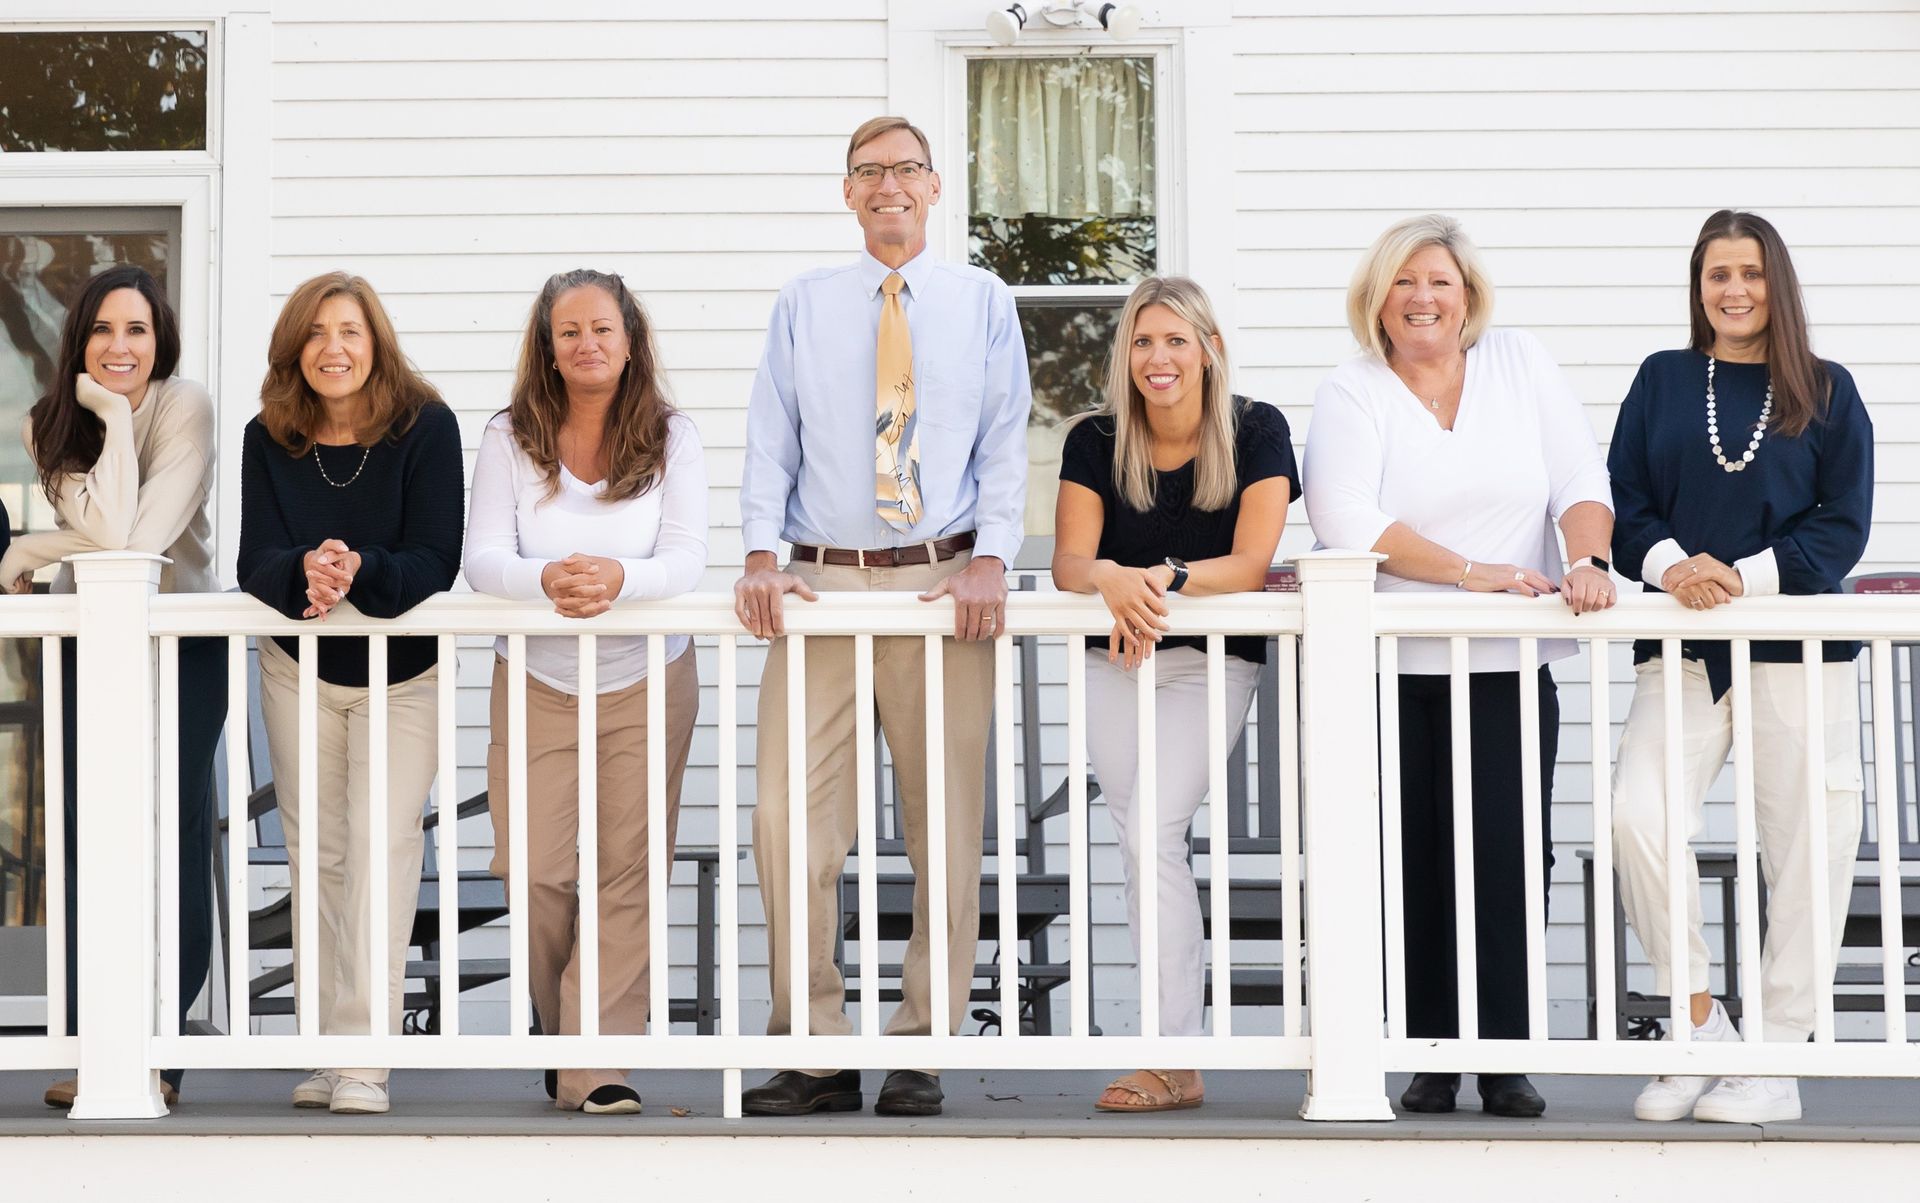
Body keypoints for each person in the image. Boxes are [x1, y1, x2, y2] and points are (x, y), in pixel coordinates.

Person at [733, 115, 1031, 1118]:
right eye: (869, 172)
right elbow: (771, 437)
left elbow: (1003, 441)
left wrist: (993, 557)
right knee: (788, 825)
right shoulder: (804, 305)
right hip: (818, 587)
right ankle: (813, 1048)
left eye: (906, 169)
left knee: (943, 824)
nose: (888, 185)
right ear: (848, 193)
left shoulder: (982, 302)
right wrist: (761, 555)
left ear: (936, 188)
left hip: (940, 585)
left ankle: (924, 1043)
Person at [1302, 214, 1615, 1118]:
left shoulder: (1519, 362)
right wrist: (1474, 574)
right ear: (1378, 299)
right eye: (1403, 282)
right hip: (1394, 667)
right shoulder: (1352, 389)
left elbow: (1578, 478)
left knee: (1513, 855)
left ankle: (1505, 1053)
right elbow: (1344, 517)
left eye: (1438, 280)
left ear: (1467, 294)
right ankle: (1431, 1052)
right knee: (1416, 857)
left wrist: (1586, 560)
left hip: (1512, 664)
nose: (1423, 297)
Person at [1608, 210, 1872, 1125]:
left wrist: (1746, 577)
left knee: (1808, 845)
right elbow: (1627, 502)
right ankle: (1698, 1026)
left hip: (1795, 646)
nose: (1735, 289)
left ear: (1777, 283)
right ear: (1699, 285)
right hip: (1683, 646)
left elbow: (1843, 525)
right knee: (1637, 814)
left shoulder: (1829, 391)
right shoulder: (1663, 379)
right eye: (1718, 273)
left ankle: (1776, 1054)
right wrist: (1673, 566)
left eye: (1752, 273)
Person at [464, 269, 707, 1114]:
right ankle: (562, 1023)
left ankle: (596, 1060)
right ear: (548, 347)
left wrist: (617, 579)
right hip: (537, 675)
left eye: (601, 327)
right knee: (532, 866)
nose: (587, 343)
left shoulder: (673, 436)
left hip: (647, 676)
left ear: (630, 340)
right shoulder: (509, 436)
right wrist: (550, 580)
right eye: (569, 331)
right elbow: (484, 557)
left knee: (628, 872)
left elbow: (684, 559)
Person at [1051, 276, 1296, 1113]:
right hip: (1114, 658)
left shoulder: (1258, 430)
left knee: (1153, 828)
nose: (1159, 358)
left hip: (1211, 659)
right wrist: (1111, 577)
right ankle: (1175, 1055)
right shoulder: (1094, 439)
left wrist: (1163, 577)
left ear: (1209, 350)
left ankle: (1169, 1050)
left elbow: (1253, 565)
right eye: (1144, 342)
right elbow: (1071, 566)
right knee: (1139, 839)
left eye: (1176, 341)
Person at [238, 271, 464, 1115]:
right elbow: (253, 561)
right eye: (317, 333)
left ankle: (366, 1055)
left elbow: (434, 556)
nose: (334, 348)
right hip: (298, 669)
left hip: (401, 673)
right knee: (320, 858)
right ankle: (327, 1049)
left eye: (351, 331)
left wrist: (358, 568)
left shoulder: (425, 428)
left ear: (377, 343)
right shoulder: (271, 435)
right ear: (297, 349)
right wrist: (302, 570)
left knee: (383, 847)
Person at [1, 265, 223, 1110]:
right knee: (86, 839)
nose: (119, 346)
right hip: (87, 648)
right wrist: (99, 416)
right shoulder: (48, 420)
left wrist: (30, 550)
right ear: (79, 341)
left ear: (159, 338)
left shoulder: (185, 405)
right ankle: (101, 1043)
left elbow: (134, 539)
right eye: (102, 329)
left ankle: (159, 1052)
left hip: (177, 647)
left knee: (171, 837)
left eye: (136, 329)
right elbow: (102, 527)